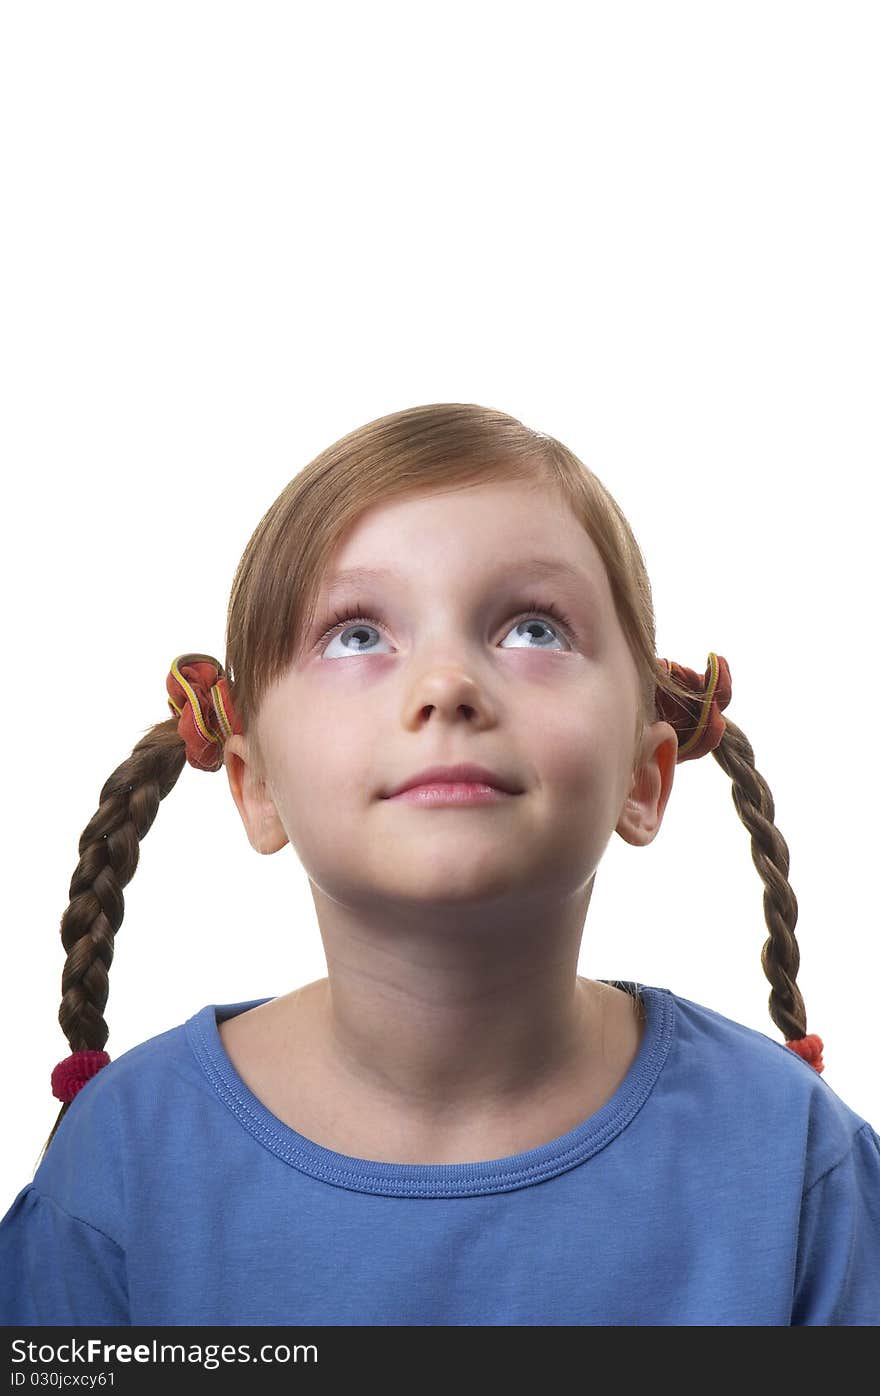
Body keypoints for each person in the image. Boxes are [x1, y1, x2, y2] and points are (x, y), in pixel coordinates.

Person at [1, 402, 877, 1326]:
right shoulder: (125, 1164)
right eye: (356, 634)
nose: (447, 685)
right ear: (258, 786)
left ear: (644, 777)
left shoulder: (792, 1159)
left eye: (534, 629)